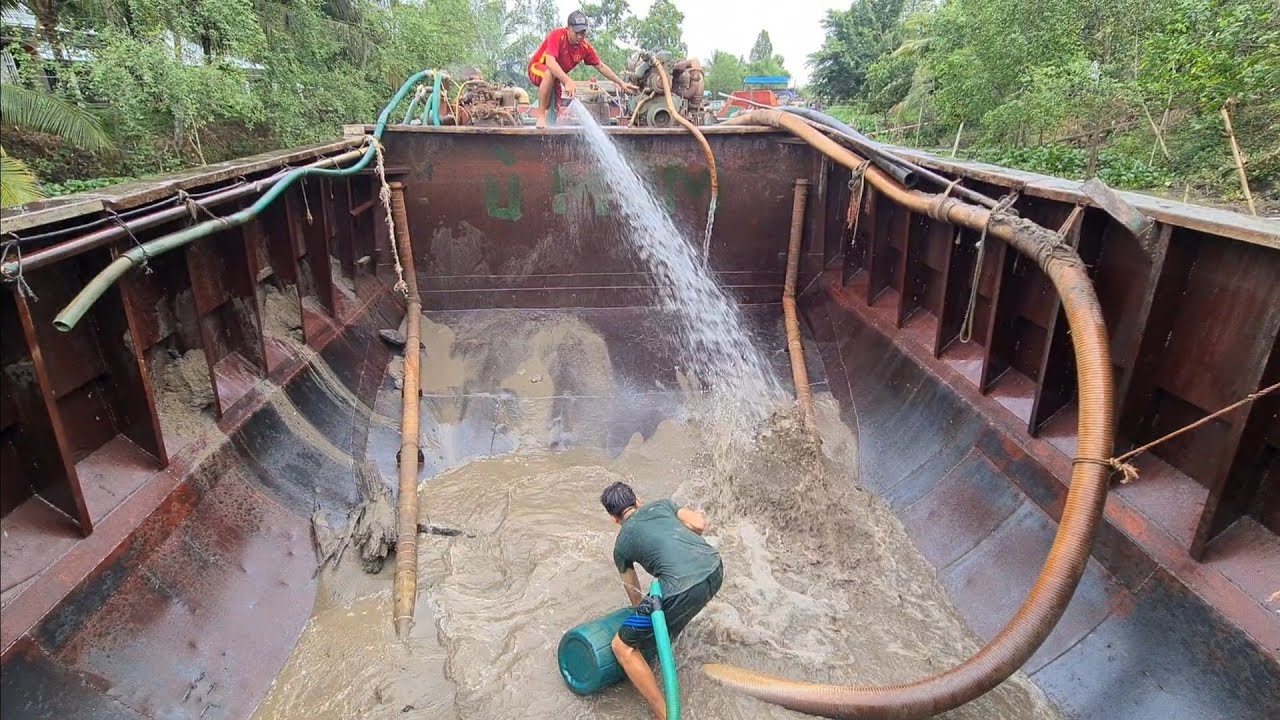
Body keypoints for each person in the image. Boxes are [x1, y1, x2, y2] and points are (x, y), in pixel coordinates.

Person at [600, 481, 723, 719]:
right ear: (638, 501)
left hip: (682, 589)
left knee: (621, 646)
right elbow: (699, 523)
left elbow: (634, 593)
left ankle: (663, 714)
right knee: (670, 610)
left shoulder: (621, 546)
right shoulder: (663, 505)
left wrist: (638, 623)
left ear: (614, 519)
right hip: (715, 568)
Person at [527, 10, 636, 128]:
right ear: (568, 28)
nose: (580, 36)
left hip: (556, 79)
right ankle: (541, 116)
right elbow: (550, 62)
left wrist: (620, 83)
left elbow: (601, 66)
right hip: (537, 69)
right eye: (576, 33)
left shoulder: (584, 47)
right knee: (549, 73)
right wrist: (567, 81)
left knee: (553, 108)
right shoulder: (557, 35)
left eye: (583, 33)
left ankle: (547, 133)